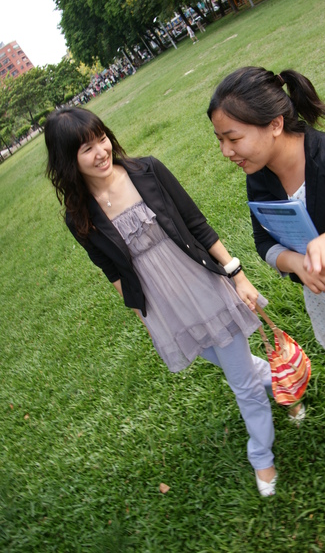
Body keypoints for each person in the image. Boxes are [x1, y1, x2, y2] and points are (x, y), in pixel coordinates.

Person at [44, 106, 301, 497]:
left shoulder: (147, 170)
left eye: (102, 139)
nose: (101, 152)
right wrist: (146, 321)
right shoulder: (79, 215)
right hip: (165, 308)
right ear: (68, 161)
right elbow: (112, 272)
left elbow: (196, 223)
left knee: (240, 383)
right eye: (86, 149)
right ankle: (286, 388)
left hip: (202, 286)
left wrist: (237, 275)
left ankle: (261, 456)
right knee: (236, 365)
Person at [207, 66, 325, 449]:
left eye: (233, 138)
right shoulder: (259, 175)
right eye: (220, 140)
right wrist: (294, 263)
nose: (226, 151)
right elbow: (263, 240)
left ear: (275, 124)